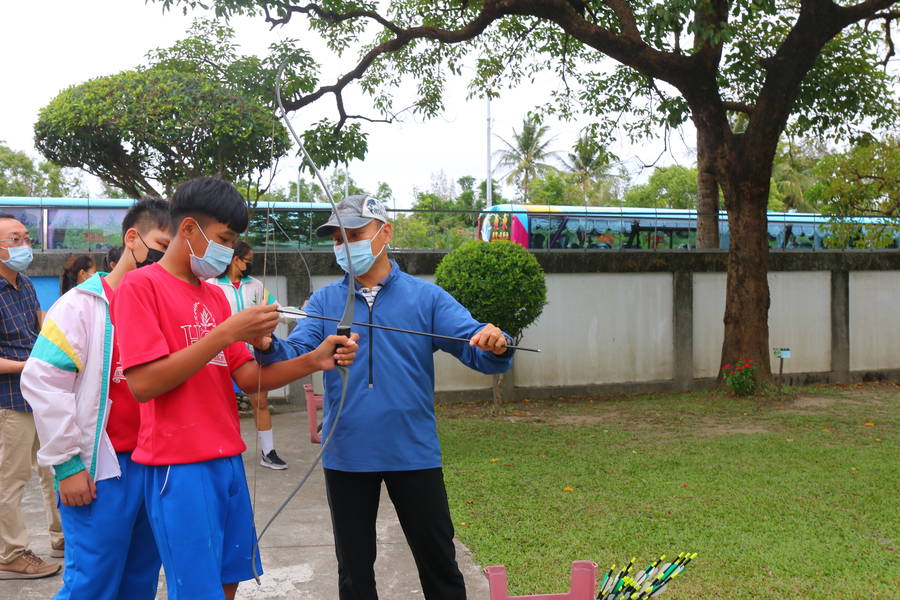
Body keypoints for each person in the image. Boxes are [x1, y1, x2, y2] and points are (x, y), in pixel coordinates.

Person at [255, 195, 514, 600]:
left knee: (440, 565)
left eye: (354, 235)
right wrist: (267, 342)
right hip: (347, 454)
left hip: (413, 452)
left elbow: (474, 343)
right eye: (338, 240)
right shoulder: (324, 302)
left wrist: (497, 343)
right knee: (355, 574)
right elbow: (294, 351)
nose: (345, 246)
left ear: (384, 233)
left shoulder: (425, 297)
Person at [111, 177, 359, 600]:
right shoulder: (141, 287)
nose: (228, 251)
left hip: (227, 457)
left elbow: (247, 378)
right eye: (224, 238)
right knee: (196, 588)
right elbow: (144, 384)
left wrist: (314, 360)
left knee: (229, 579)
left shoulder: (215, 297)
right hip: (178, 464)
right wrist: (226, 333)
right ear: (188, 229)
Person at [22, 198, 173, 599]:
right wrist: (68, 464)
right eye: (162, 243)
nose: (167, 257)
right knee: (92, 582)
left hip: (154, 466)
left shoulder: (162, 308)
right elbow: (44, 383)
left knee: (140, 578)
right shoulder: (80, 306)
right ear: (133, 239)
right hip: (98, 469)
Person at [0, 214, 63, 580]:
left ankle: (60, 536)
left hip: (38, 395)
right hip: (9, 401)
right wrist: (27, 366)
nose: (25, 245)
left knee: (50, 469)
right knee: (11, 479)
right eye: (15, 239)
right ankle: (10, 553)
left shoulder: (24, 284)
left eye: (26, 237)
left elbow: (39, 329)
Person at [209, 240, 287, 470]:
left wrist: (299, 313)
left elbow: (277, 309)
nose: (250, 265)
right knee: (218, 404)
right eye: (248, 260)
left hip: (252, 353)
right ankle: (219, 450)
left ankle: (268, 451)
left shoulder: (255, 285)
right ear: (235, 260)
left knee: (260, 401)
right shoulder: (212, 285)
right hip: (220, 353)